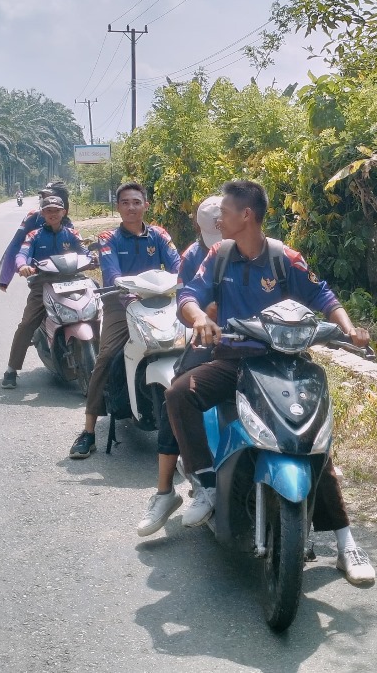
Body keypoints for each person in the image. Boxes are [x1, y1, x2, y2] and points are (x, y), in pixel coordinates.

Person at [168, 179, 376, 586]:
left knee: (311, 441)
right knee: (179, 395)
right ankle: (205, 483)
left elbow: (323, 296)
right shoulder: (219, 254)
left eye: (224, 211)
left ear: (247, 215)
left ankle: (345, 540)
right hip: (233, 363)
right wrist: (201, 320)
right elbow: (189, 294)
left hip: (285, 366)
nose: (218, 217)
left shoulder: (284, 258)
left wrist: (350, 330)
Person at [68, 181, 181, 459]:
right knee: (105, 356)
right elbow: (111, 273)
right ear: (118, 207)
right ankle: (89, 431)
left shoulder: (159, 234)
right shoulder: (108, 237)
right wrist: (123, 288)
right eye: (125, 203)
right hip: (122, 304)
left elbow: (179, 266)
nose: (131, 207)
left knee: (194, 349)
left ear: (146, 205)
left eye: (136, 202)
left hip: (162, 301)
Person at [136, 194, 222, 537]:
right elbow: (186, 305)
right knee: (178, 393)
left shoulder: (259, 249)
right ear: (200, 229)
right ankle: (165, 491)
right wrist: (203, 316)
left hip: (252, 343)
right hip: (208, 342)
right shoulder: (192, 257)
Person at [1, 195, 87, 389]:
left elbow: (85, 252)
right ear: (42, 214)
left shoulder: (73, 234)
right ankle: (11, 370)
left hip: (73, 281)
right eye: (48, 210)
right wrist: (22, 265)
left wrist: (93, 259)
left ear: (63, 212)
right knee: (26, 324)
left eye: (56, 210)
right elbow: (22, 253)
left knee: (100, 306)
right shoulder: (34, 236)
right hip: (43, 284)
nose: (53, 214)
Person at [0, 181, 72, 297]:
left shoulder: (69, 227)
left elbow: (80, 250)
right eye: (45, 197)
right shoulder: (33, 219)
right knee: (33, 311)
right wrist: (5, 278)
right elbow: (16, 246)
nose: (47, 201)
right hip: (41, 276)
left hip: (66, 277)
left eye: (52, 197)